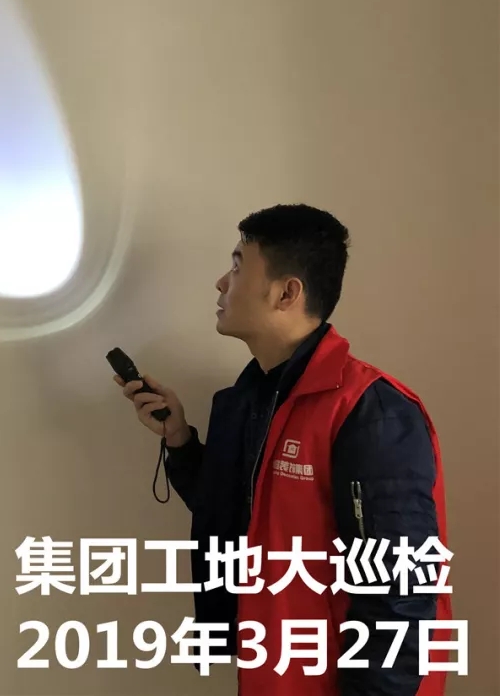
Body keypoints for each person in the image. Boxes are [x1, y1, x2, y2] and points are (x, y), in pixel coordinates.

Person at [115, 204, 452, 696]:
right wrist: (179, 439)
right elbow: (238, 515)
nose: (221, 283)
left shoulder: (370, 409)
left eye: (237, 266)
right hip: (271, 672)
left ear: (287, 292)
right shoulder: (249, 399)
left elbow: (400, 592)